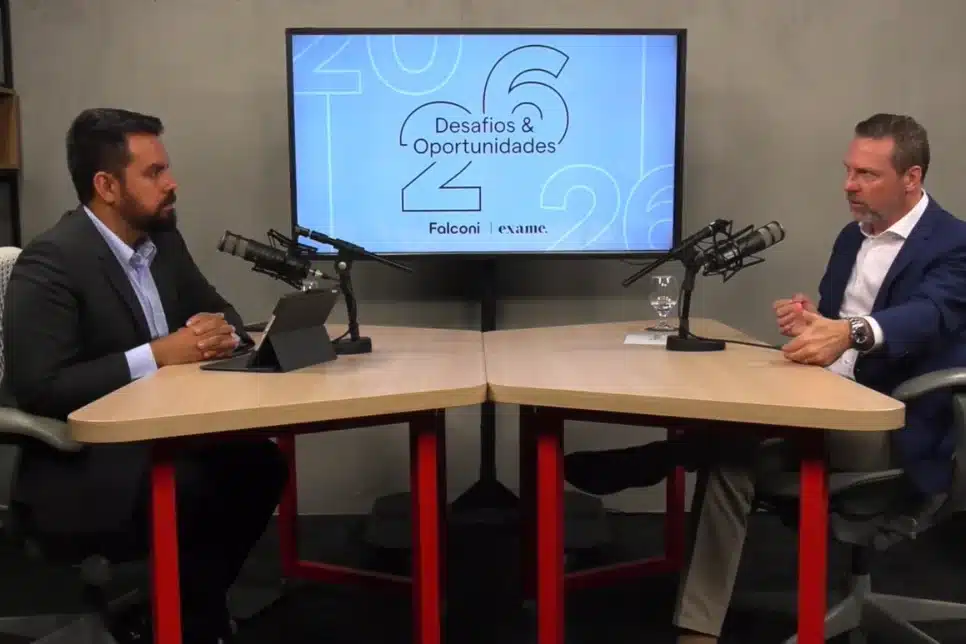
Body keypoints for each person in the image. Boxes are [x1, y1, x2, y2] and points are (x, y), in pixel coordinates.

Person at [563, 113, 966, 643]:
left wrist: (848, 333)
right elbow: (836, 323)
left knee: (734, 445)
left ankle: (664, 465)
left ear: (911, 178)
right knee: (731, 442)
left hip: (889, 423)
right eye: (848, 170)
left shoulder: (953, 243)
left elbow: (929, 315)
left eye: (867, 174)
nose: (849, 185)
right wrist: (813, 323)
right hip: (829, 395)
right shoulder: (853, 237)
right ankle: (696, 623)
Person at [2, 108, 289, 644]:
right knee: (197, 484)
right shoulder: (52, 261)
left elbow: (221, 312)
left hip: (164, 437)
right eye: (154, 172)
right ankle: (183, 620)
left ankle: (176, 615)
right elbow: (41, 388)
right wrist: (157, 355)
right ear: (107, 186)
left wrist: (218, 331)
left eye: (166, 168)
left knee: (259, 464)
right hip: (85, 465)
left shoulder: (163, 244)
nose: (171, 182)